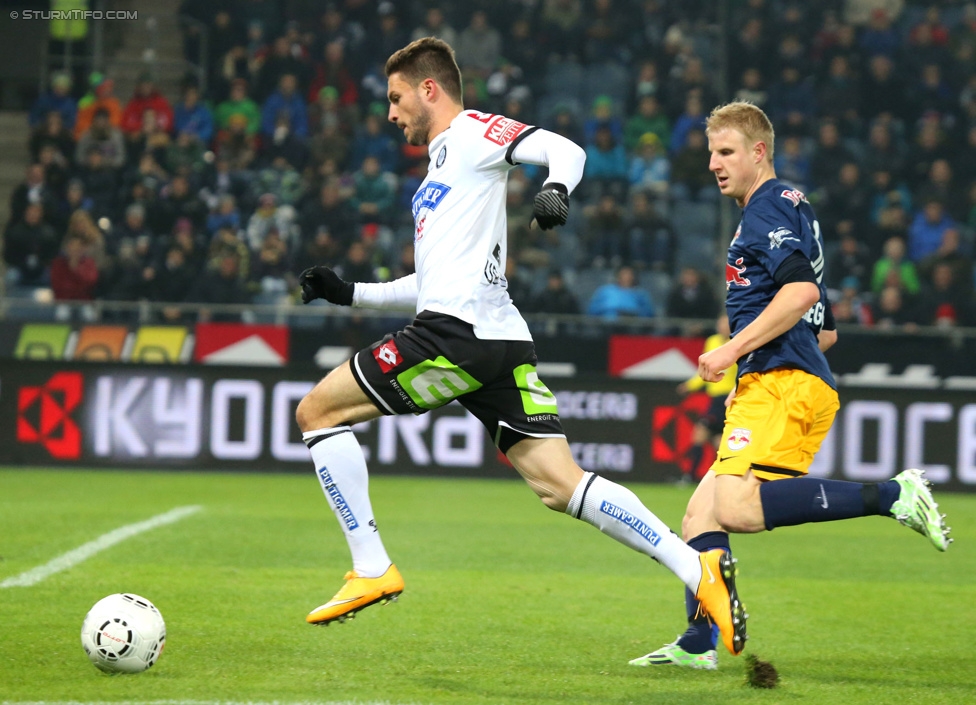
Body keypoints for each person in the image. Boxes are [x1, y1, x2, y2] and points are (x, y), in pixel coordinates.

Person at [293, 38, 747, 658]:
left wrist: (555, 188)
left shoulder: (476, 131)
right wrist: (351, 294)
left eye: (396, 99)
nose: (390, 113)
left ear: (431, 90)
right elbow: (430, 283)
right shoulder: (441, 167)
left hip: (456, 337)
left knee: (316, 412)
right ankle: (698, 572)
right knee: (561, 484)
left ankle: (371, 565)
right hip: (496, 338)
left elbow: (565, 149)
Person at [632, 101, 951, 672]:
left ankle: (892, 495)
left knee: (734, 508)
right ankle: (699, 644)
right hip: (776, 377)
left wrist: (732, 352)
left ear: (759, 153)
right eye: (710, 152)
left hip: (783, 385)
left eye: (726, 151)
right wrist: (751, 367)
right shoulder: (793, 210)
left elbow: (801, 296)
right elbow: (824, 330)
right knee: (699, 517)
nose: (713, 163)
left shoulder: (765, 209)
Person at [676, 315, 736, 483]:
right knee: (719, 441)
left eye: (726, 324)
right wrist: (689, 386)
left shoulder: (738, 342)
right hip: (714, 398)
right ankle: (724, 477)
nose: (723, 327)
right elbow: (704, 368)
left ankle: (691, 477)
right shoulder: (712, 341)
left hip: (727, 398)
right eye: (720, 323)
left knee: (701, 435)